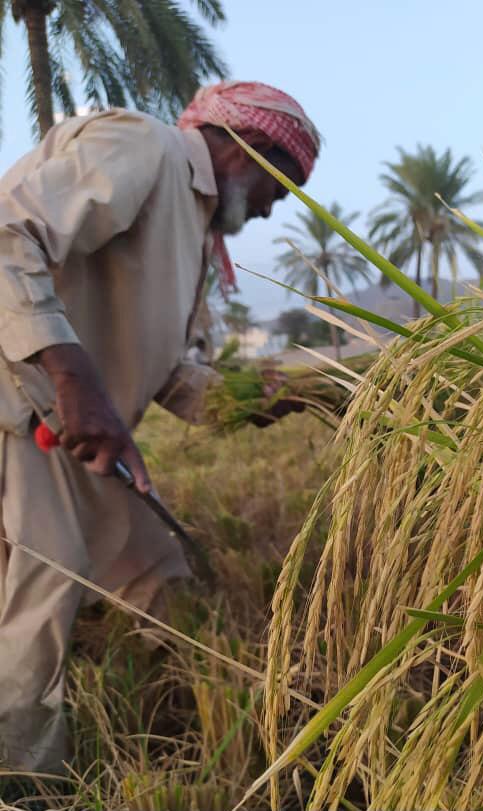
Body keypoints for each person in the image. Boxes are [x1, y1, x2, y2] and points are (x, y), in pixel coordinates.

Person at [0, 81, 320, 772]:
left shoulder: (193, 231)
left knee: (159, 573)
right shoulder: (144, 145)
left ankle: (219, 718)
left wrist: (281, 396)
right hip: (25, 404)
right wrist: (73, 375)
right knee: (44, 592)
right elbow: (8, 232)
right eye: (280, 189)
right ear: (253, 149)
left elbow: (169, 371)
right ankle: (20, 779)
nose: (269, 212)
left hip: (78, 430)